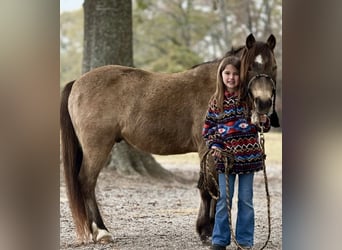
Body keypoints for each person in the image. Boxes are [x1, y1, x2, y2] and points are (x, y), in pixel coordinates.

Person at [202, 56, 270, 250]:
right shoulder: (216, 102)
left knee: (246, 200)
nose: (231, 78)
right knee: (224, 200)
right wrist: (215, 145)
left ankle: (244, 240)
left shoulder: (249, 101)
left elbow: (263, 125)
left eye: (235, 74)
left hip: (248, 158)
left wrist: (263, 118)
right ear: (221, 75)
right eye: (227, 73)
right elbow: (208, 129)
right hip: (226, 160)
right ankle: (220, 240)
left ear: (241, 76)